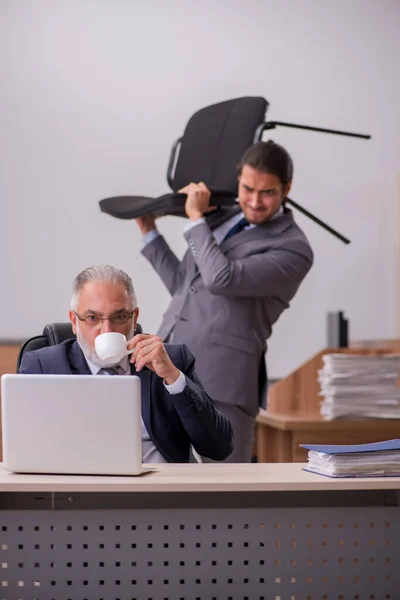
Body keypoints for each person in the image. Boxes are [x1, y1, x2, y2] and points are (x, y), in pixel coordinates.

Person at [137, 140, 314, 462]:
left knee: (225, 490)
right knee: (163, 487)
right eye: (247, 189)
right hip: (168, 370)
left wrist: (194, 219)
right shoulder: (221, 219)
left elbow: (222, 279)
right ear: (238, 181)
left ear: (286, 188)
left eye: (267, 193)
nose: (255, 201)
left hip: (224, 383)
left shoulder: (294, 248)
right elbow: (183, 285)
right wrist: (150, 233)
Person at [19, 265, 233, 463]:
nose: (108, 330)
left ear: (134, 318)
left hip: (162, 493)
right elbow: (26, 451)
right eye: (93, 318)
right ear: (74, 322)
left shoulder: (171, 360)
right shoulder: (43, 366)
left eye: (119, 316)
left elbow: (219, 447)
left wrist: (173, 378)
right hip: (81, 493)